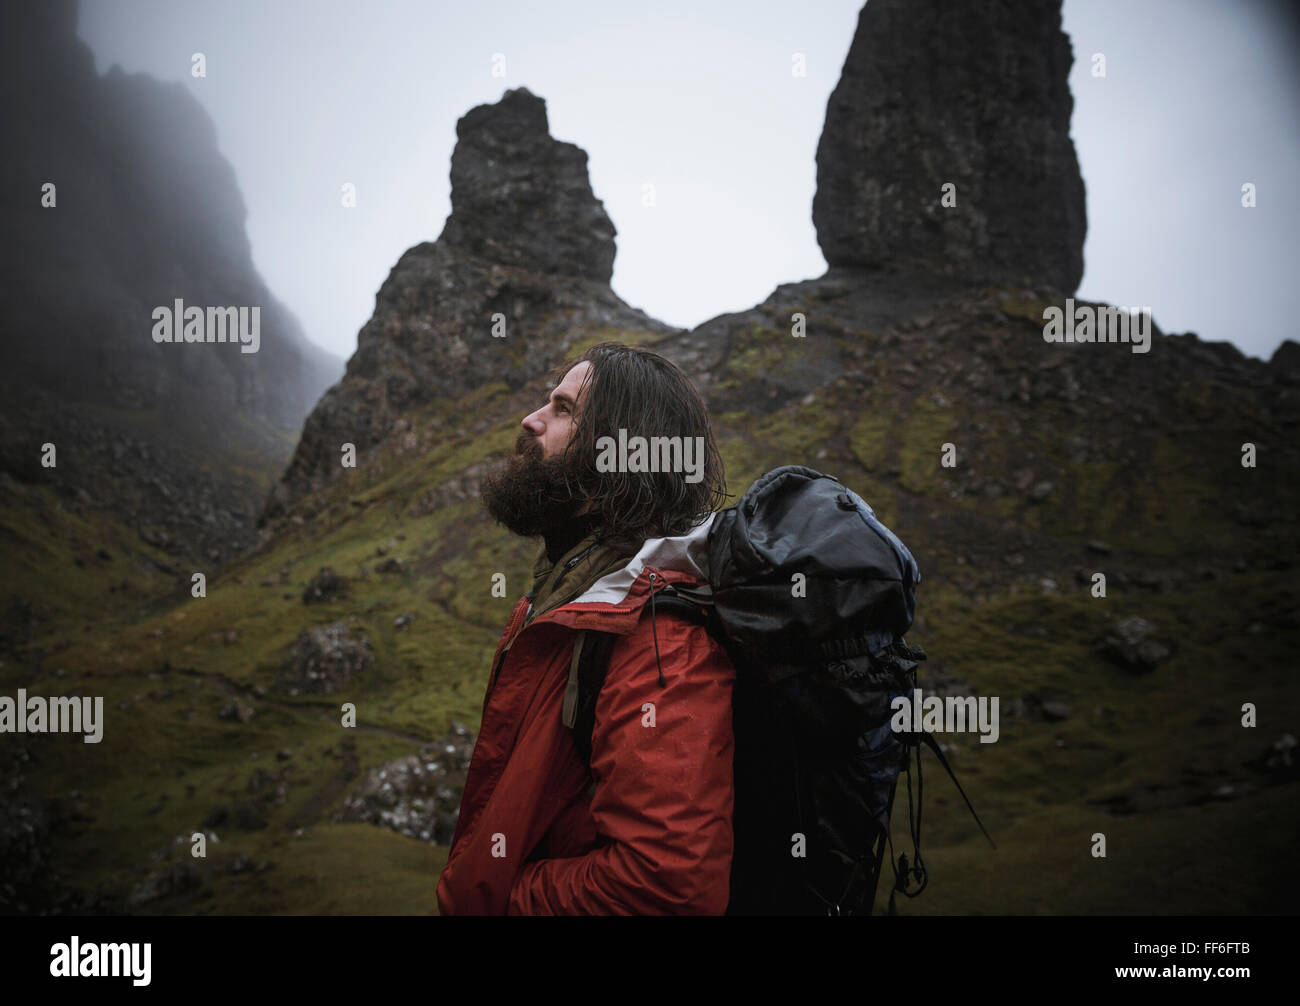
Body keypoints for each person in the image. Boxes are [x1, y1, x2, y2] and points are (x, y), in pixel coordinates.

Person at [434, 342, 735, 915]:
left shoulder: (658, 640)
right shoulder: (572, 601)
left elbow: (667, 888)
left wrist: (493, 900)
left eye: (564, 408)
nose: (531, 419)